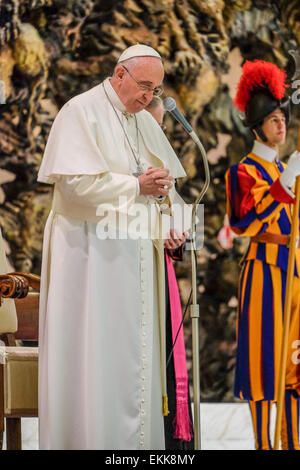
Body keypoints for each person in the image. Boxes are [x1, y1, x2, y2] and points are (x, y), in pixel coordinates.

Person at [37, 44, 191, 450]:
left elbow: (163, 186)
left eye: (155, 90)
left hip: (135, 263)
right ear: (119, 74)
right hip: (91, 262)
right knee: (95, 359)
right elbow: (74, 186)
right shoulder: (80, 112)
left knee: (133, 364)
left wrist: (173, 218)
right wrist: (135, 186)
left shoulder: (144, 121)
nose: (148, 97)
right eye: (143, 86)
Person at [225, 59, 300, 450]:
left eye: (283, 119)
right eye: (273, 120)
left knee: (293, 362)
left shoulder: (287, 168)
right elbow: (243, 224)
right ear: (258, 127)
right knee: (262, 359)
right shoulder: (243, 172)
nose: (281, 126)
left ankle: (291, 443)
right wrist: (285, 185)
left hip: (294, 270)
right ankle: (264, 445)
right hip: (264, 270)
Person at [145, 97, 193, 449]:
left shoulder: (161, 162)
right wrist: (158, 227)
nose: (159, 131)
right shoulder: (127, 163)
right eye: (153, 124)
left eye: (162, 124)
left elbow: (183, 215)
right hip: (135, 277)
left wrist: (180, 231)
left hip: (161, 272)